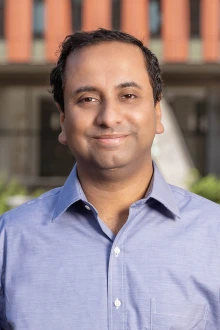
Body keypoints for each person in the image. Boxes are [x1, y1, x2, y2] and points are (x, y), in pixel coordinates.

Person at [0, 28, 220, 330]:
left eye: (128, 95)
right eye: (87, 98)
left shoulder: (214, 236)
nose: (109, 117)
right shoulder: (8, 241)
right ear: (63, 120)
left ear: (157, 114)